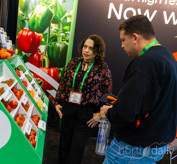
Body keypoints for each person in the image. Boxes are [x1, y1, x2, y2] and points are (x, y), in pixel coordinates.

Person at [100, 15, 177, 163]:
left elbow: (125, 113)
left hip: (132, 150)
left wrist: (108, 112)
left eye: (123, 40)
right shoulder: (167, 57)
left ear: (135, 37)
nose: (122, 46)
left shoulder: (145, 63)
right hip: (156, 146)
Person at [54, 34, 113, 164]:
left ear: (97, 51)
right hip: (69, 109)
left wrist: (99, 114)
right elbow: (63, 83)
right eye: (85, 46)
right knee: (64, 145)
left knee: (77, 148)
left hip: (87, 113)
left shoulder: (102, 68)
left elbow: (107, 93)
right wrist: (57, 102)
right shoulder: (73, 63)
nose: (86, 50)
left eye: (91, 48)